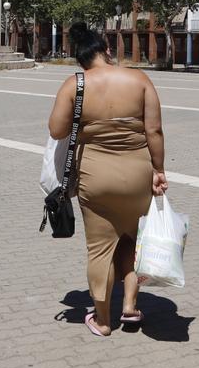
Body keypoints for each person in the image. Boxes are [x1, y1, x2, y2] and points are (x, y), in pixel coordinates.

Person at [48, 22, 168, 337]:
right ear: (107, 50)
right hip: (137, 174)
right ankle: (130, 307)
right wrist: (159, 170)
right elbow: (154, 130)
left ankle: (103, 320)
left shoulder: (74, 84)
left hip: (96, 177)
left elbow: (57, 131)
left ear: (80, 59)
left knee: (100, 248)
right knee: (132, 240)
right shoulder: (139, 79)